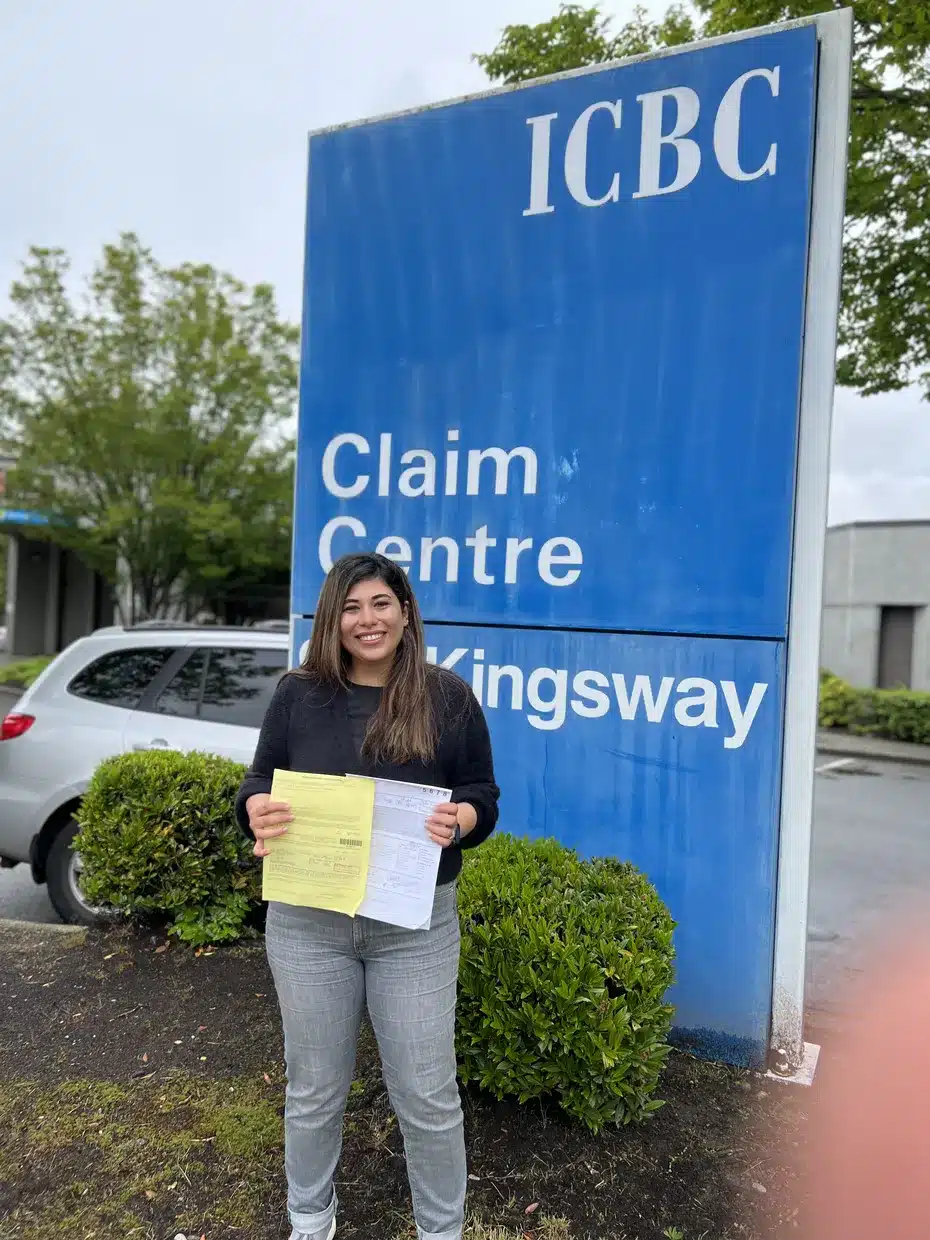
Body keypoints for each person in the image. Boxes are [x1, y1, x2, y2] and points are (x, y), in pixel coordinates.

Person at [235, 552, 500, 1240]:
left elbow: (481, 793)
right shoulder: (298, 695)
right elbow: (258, 782)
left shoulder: (448, 697)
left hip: (413, 929)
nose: (367, 619)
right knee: (314, 1090)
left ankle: (441, 1230)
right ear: (332, 619)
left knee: (427, 1094)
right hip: (308, 925)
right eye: (351, 607)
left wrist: (463, 819)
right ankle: (309, 1220)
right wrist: (256, 808)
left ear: (406, 612)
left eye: (381, 603)